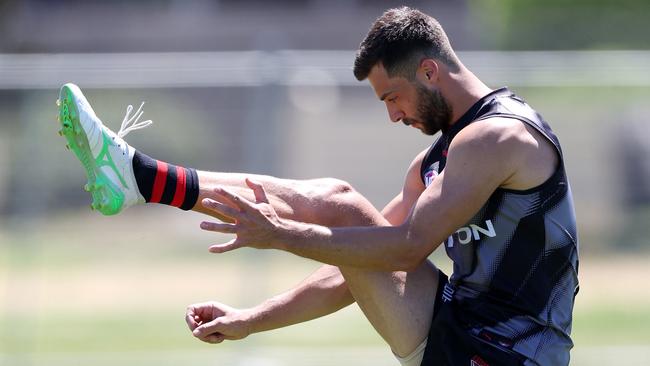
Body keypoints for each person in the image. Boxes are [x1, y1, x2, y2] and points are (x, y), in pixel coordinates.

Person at [57, 7, 578, 366]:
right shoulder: (437, 159)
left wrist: (280, 235)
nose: (393, 115)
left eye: (393, 97)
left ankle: (139, 177)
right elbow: (355, 268)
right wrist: (249, 321)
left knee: (343, 205)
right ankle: (140, 177)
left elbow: (406, 248)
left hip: (510, 355)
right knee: (337, 201)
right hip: (455, 334)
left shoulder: (500, 137)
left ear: (428, 71)